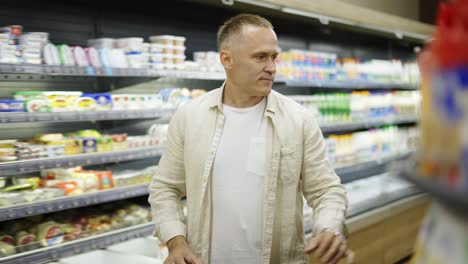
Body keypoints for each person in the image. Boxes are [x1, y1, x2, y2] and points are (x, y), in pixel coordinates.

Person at [148, 13, 353, 264]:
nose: (272, 67)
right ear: (227, 59)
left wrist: (328, 227)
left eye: (274, 57)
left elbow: (326, 190)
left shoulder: (298, 120)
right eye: (260, 57)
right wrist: (175, 242)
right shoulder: (190, 116)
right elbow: (165, 188)